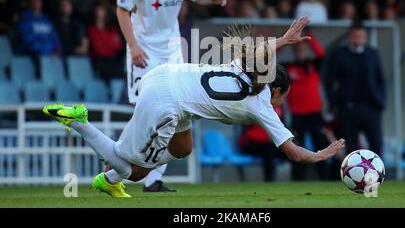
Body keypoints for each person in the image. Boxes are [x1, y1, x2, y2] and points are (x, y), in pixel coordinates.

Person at [42, 17, 345, 198]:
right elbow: (292, 152)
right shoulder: (261, 104)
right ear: (275, 89)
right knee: (130, 171)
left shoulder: (242, 67)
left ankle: (109, 179)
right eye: (283, 96)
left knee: (184, 146)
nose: (281, 102)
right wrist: (320, 155)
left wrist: (283, 40)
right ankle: (81, 123)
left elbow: (259, 53)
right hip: (165, 102)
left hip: (164, 79)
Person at [115, 0, 227, 192]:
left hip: (172, 49)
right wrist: (133, 46)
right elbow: (121, 8)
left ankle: (153, 180)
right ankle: (114, 166)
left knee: (174, 112)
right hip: (144, 50)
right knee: (144, 112)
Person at [325, 21, 385, 157]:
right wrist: (334, 104)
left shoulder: (372, 53)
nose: (358, 39)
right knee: (351, 146)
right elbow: (329, 81)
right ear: (349, 37)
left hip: (371, 107)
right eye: (356, 36)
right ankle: (353, 176)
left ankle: (376, 175)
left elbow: (380, 80)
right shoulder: (339, 54)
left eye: (361, 36)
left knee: (376, 143)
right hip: (348, 108)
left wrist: (380, 101)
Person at [283, 30, 329, 180]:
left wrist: (309, 36)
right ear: (294, 51)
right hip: (297, 115)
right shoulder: (288, 67)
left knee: (320, 147)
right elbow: (270, 60)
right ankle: (297, 181)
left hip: (315, 114)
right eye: (297, 50)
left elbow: (322, 54)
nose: (300, 52)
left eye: (303, 50)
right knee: (296, 148)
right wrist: (285, 41)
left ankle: (324, 179)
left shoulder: (313, 65)